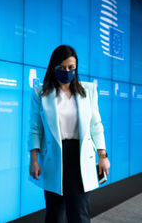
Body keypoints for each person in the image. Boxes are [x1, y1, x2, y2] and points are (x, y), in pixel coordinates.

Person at [28, 45, 110, 223]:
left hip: (80, 155)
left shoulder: (88, 90)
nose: (67, 71)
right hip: (54, 156)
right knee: (55, 214)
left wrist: (103, 156)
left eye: (71, 67)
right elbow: (35, 128)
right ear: (53, 67)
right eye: (62, 67)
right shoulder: (40, 93)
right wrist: (33, 159)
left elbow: (96, 124)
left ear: (76, 68)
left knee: (79, 213)